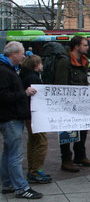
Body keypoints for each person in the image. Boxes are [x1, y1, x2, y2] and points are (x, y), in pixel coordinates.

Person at [0, 41, 43, 199]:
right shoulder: (5, 72)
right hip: (11, 117)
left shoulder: (9, 70)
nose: (24, 56)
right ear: (13, 54)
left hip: (10, 116)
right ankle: (21, 187)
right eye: (21, 53)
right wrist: (24, 93)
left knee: (8, 152)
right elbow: (3, 96)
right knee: (15, 154)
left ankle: (8, 183)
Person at [54, 35, 90, 172]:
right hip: (68, 103)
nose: (87, 47)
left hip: (81, 102)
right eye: (85, 45)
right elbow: (61, 84)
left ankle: (80, 156)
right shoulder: (64, 61)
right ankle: (66, 159)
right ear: (76, 46)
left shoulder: (83, 61)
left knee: (82, 130)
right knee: (67, 131)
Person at [19, 55, 51, 184]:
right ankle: (36, 171)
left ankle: (32, 169)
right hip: (35, 114)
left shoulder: (24, 75)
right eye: (40, 63)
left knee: (33, 141)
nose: (42, 65)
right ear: (36, 65)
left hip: (29, 114)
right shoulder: (33, 78)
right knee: (41, 141)